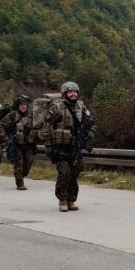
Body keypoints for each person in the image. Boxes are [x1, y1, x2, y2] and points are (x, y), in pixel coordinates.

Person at [41, 81, 94, 212]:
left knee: (75, 173)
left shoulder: (81, 107)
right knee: (64, 173)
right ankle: (62, 200)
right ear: (65, 93)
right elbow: (46, 127)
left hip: (76, 147)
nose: (73, 94)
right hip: (61, 147)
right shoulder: (57, 107)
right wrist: (48, 145)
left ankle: (71, 200)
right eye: (70, 92)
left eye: (75, 92)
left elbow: (91, 123)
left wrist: (91, 132)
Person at [0, 95, 36, 190]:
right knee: (19, 162)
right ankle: (20, 183)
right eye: (21, 105)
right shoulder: (12, 115)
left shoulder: (30, 115)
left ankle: (21, 176)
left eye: (25, 104)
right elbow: (1, 126)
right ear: (17, 105)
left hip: (28, 143)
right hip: (16, 143)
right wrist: (6, 139)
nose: (23, 106)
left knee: (28, 163)